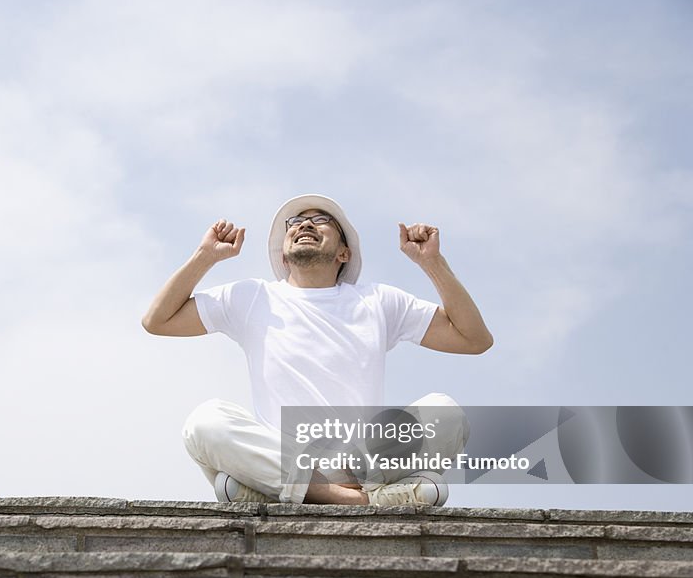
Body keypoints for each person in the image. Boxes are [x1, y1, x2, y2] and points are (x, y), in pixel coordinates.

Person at [142, 194, 493, 506]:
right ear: (284, 253)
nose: (305, 224)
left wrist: (432, 263)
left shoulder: (378, 301)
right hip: (282, 457)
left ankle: (276, 493)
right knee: (206, 422)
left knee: (444, 412)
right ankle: (355, 501)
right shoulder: (252, 297)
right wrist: (205, 257)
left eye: (322, 220)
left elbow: (473, 339)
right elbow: (158, 320)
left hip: (362, 463)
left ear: (344, 252)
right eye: (295, 222)